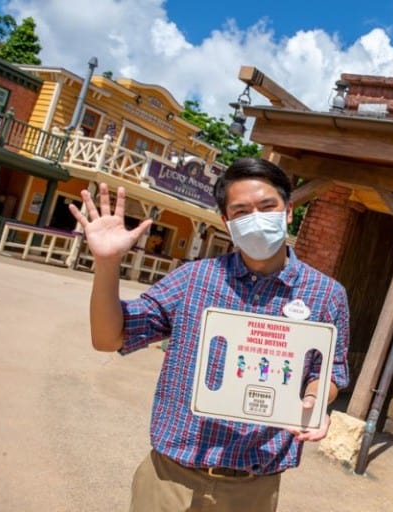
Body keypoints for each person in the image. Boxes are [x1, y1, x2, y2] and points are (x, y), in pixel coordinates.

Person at [69, 157, 350, 512]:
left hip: (253, 487)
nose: (257, 218)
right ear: (226, 222)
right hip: (169, 478)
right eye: (242, 211)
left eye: (267, 207)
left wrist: (312, 403)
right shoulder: (194, 280)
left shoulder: (325, 295)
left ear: (288, 211)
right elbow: (109, 338)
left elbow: (329, 374)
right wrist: (107, 264)